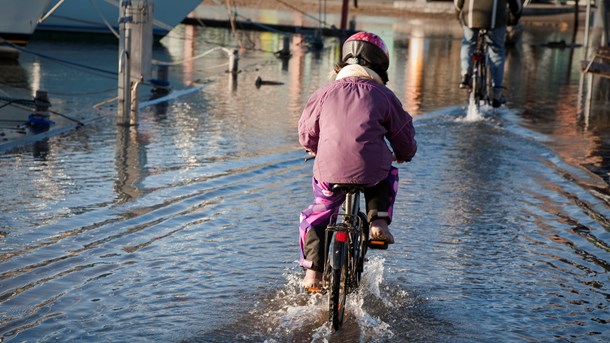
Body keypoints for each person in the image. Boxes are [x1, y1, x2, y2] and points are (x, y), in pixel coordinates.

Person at [297, 32, 417, 290]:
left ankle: (313, 275)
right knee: (385, 174)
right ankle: (378, 222)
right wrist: (405, 154)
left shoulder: (324, 92)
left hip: (328, 170)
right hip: (371, 170)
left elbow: (306, 131)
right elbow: (403, 135)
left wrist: (312, 147)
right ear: (381, 66)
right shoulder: (384, 95)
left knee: (319, 213)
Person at [455, 0, 522, 107]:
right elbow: (516, 5)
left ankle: (465, 74)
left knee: (468, 43)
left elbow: (458, 2)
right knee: (496, 50)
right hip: (495, 18)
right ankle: (497, 93)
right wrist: (515, 17)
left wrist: (458, 13)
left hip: (471, 15)